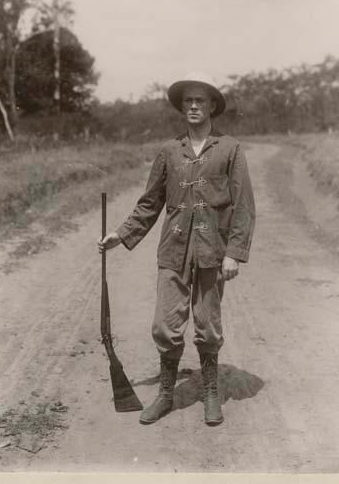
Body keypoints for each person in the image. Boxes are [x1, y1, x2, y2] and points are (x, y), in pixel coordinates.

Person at [98, 72, 256, 426]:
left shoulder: (230, 149)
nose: (194, 106)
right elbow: (149, 203)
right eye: (188, 101)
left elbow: (244, 206)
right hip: (173, 251)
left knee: (208, 326)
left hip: (212, 252)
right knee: (164, 326)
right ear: (182, 107)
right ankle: (167, 394)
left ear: (213, 105)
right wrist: (121, 235)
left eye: (201, 100)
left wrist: (234, 253)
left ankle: (211, 393)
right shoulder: (169, 151)